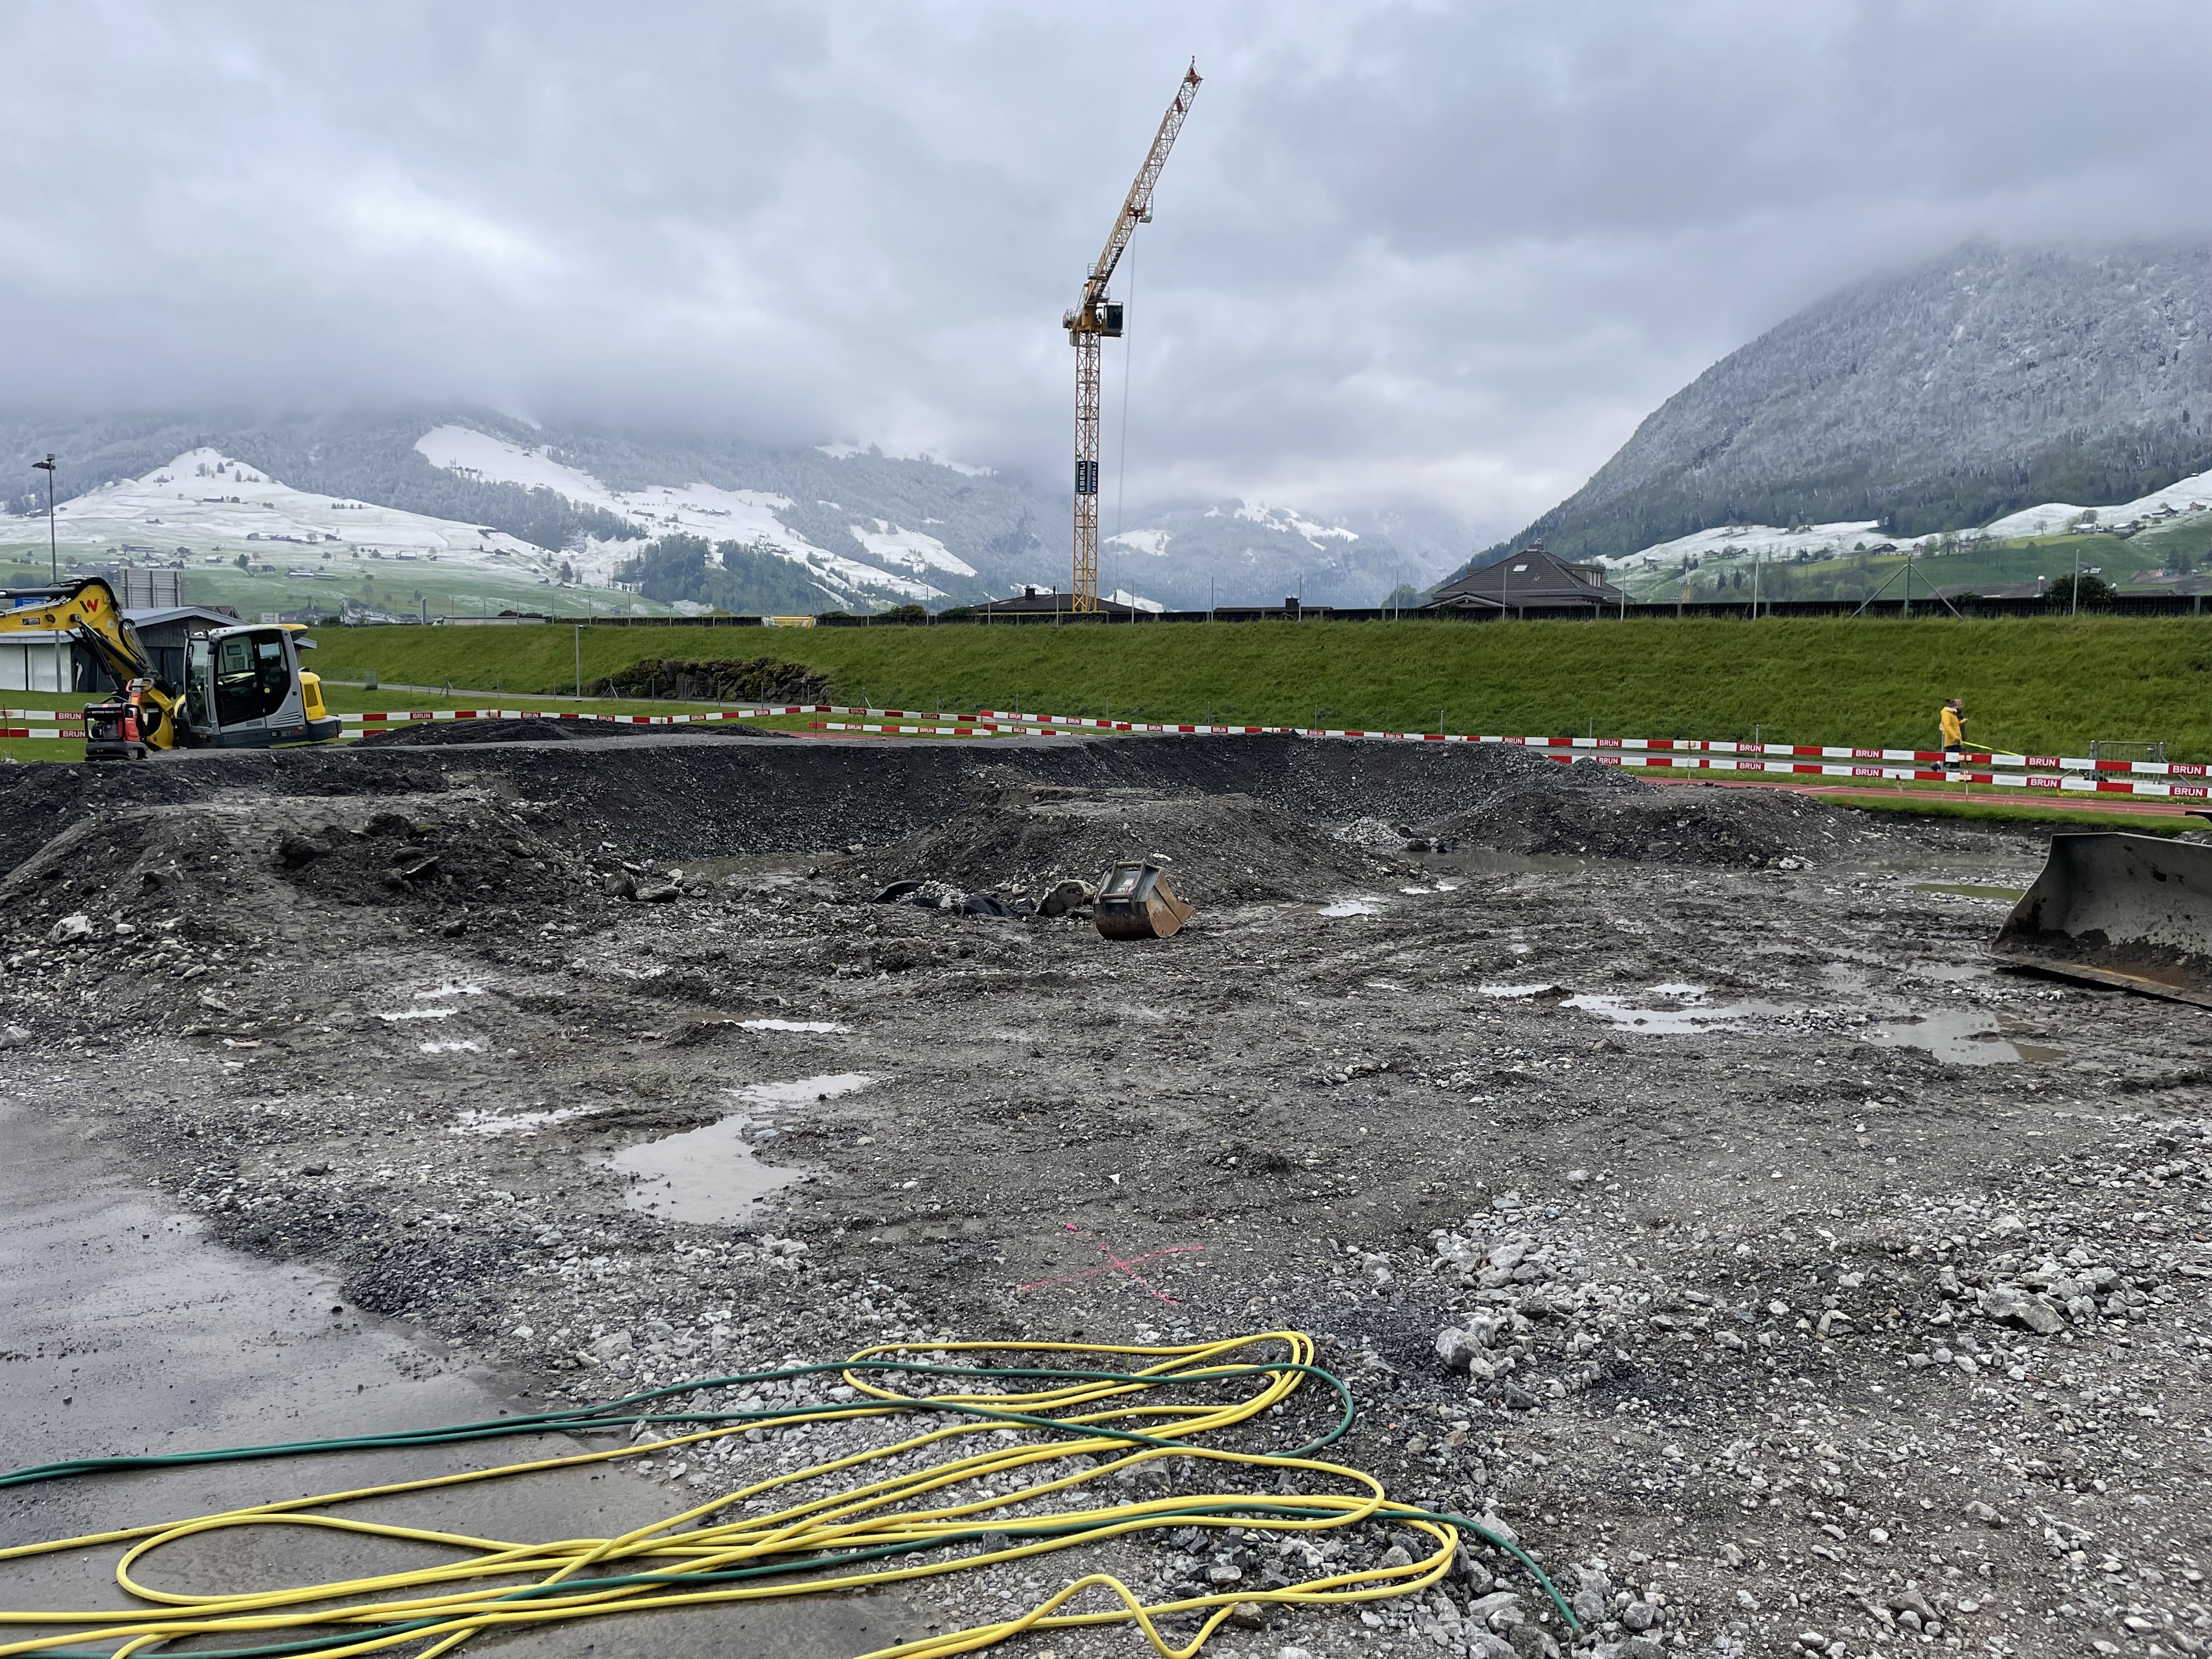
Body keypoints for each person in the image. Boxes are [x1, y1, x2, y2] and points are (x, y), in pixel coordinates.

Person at [1940, 698, 1966, 776]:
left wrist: (1961, 722)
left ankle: (1953, 771)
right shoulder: (1947, 714)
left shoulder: (1952, 714)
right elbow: (1948, 727)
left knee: (1954, 756)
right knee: (1953, 756)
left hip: (1956, 739)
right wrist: (1955, 737)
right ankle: (1952, 771)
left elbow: (1955, 725)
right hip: (1951, 740)